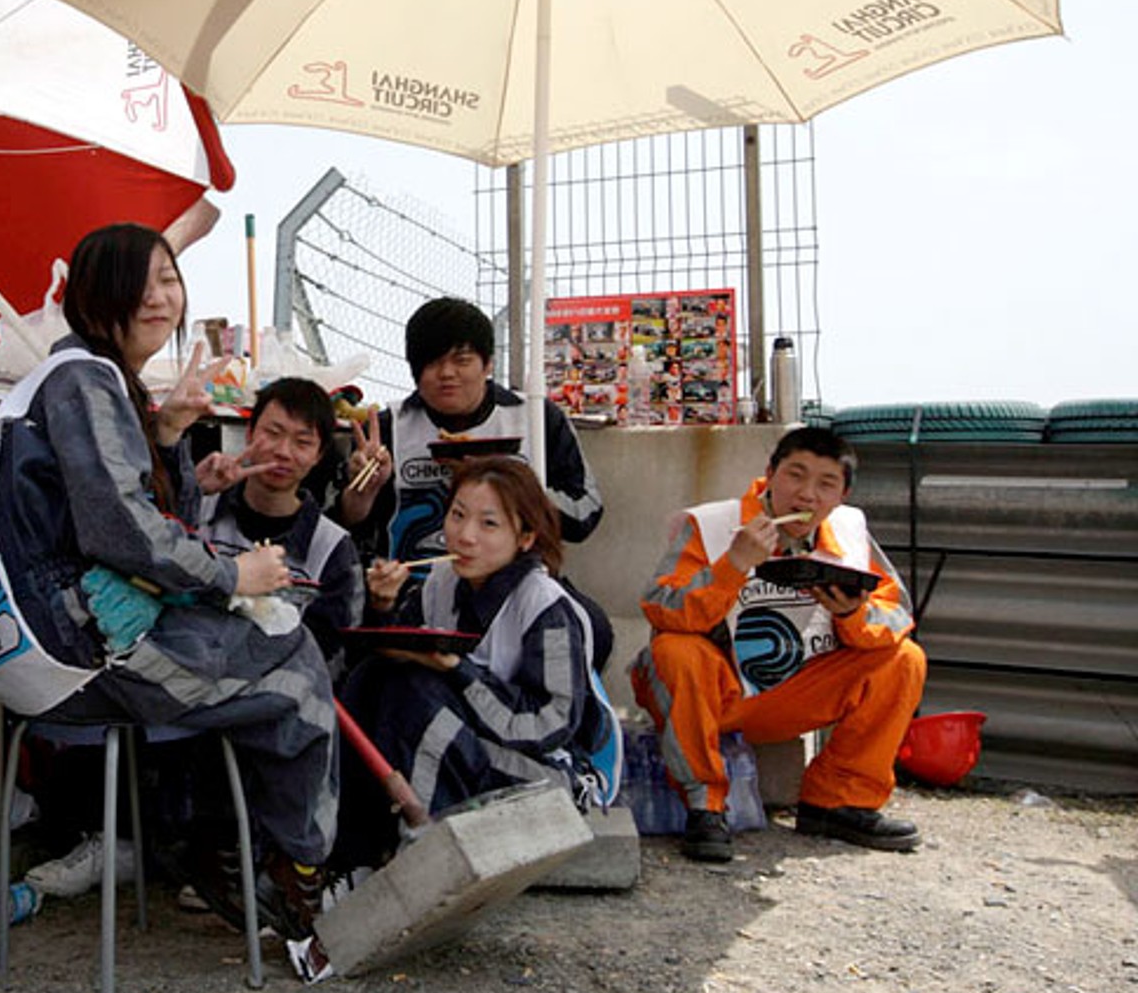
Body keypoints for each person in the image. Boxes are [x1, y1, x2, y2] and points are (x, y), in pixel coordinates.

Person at [0, 222, 338, 944]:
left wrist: (167, 439)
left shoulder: (85, 378)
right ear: (90, 297)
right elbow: (122, 532)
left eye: (168, 279)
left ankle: (231, 853)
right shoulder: (85, 380)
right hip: (75, 649)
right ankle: (291, 873)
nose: (158, 298)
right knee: (295, 669)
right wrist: (234, 573)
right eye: (136, 283)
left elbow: (117, 516)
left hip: (37, 640)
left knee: (258, 660)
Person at [630, 426, 925, 863]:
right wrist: (732, 565)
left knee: (903, 659)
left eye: (826, 484)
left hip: (793, 692)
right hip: (715, 692)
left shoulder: (848, 532)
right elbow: (662, 607)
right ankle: (705, 807)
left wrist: (852, 614)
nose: (806, 495)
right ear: (770, 474)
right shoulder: (711, 525)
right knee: (674, 651)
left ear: (842, 496)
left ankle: (838, 802)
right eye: (795, 475)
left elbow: (896, 614)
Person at [338, 457, 620, 869]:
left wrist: (458, 671)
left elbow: (549, 724)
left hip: (544, 772)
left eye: (489, 524)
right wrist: (382, 606)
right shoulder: (441, 583)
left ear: (525, 537)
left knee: (421, 702)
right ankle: (350, 855)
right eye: (457, 515)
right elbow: (394, 653)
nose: (465, 536)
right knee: (376, 679)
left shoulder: (545, 607)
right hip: (468, 746)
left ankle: (422, 854)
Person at [333, 296, 613, 668]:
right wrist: (362, 492)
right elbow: (343, 527)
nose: (447, 373)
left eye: (462, 360)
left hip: (514, 583)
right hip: (410, 586)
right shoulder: (387, 428)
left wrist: (511, 485)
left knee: (594, 630)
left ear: (488, 363)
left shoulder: (533, 417)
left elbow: (586, 513)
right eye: (432, 362)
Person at [196, 377, 364, 673]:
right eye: (273, 433)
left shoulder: (332, 548)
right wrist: (190, 491)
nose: (283, 452)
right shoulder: (199, 514)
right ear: (249, 433)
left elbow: (332, 656)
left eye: (303, 442)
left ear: (319, 454)